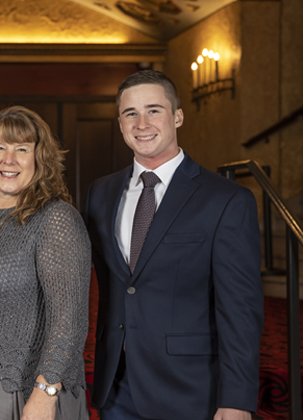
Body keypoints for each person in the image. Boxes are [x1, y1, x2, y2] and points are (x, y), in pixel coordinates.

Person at [85, 70, 263, 420]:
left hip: (192, 389)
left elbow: (240, 310)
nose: (141, 123)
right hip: (116, 385)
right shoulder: (99, 193)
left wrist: (238, 398)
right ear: (120, 123)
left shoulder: (226, 200)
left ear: (177, 116)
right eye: (130, 113)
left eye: (154, 110)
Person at [0, 106, 91, 420]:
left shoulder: (56, 219)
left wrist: (46, 392)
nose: (8, 160)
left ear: (40, 158)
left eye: (21, 149)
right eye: (0, 148)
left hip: (27, 388)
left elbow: (70, 321)